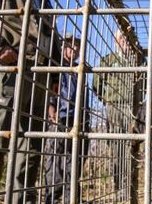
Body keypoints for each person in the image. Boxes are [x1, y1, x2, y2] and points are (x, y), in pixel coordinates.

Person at [0, 0, 60, 203]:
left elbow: (53, 34)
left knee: (31, 146)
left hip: (40, 74)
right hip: (8, 70)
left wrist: (55, 74)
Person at [44, 34, 89, 204]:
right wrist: (52, 111)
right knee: (55, 163)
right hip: (59, 119)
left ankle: (71, 200)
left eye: (77, 46)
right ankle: (52, 200)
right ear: (63, 47)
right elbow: (49, 91)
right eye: (71, 45)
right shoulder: (56, 66)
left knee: (74, 163)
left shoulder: (80, 70)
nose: (74, 49)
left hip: (80, 120)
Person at [93, 29, 130, 193]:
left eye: (127, 39)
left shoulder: (138, 60)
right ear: (116, 41)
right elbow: (96, 83)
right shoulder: (108, 60)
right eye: (121, 38)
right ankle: (120, 187)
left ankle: (133, 184)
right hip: (114, 107)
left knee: (133, 146)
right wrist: (106, 98)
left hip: (132, 108)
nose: (125, 42)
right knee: (117, 147)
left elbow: (144, 84)